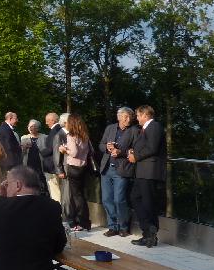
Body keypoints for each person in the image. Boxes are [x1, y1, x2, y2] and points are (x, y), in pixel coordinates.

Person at [128, 105, 167, 247]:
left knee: (148, 202)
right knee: (136, 198)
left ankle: (151, 234)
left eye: (138, 115)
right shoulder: (145, 129)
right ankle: (147, 230)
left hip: (150, 171)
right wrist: (133, 151)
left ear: (145, 115)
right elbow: (145, 146)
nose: (137, 118)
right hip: (142, 171)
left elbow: (152, 147)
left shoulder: (154, 126)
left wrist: (136, 156)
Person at [99, 107, 137, 237]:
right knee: (106, 199)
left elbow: (136, 149)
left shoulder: (134, 130)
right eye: (126, 116)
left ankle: (123, 227)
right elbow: (101, 145)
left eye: (130, 117)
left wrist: (121, 152)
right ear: (119, 117)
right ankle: (112, 226)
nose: (128, 119)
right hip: (106, 168)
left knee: (119, 199)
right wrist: (107, 148)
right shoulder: (110, 128)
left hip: (122, 169)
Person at [58, 113, 91, 231]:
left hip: (73, 168)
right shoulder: (85, 135)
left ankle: (81, 222)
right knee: (81, 195)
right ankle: (86, 222)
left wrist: (63, 150)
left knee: (76, 197)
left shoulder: (71, 136)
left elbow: (74, 153)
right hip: (83, 167)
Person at [41, 112, 62, 203]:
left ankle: (58, 213)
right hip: (59, 166)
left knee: (55, 192)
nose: (46, 123)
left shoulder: (54, 131)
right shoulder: (61, 130)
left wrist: (40, 151)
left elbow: (50, 149)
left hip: (52, 166)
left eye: (47, 121)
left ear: (53, 120)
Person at [22, 119, 47, 193]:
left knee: (41, 180)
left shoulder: (45, 137)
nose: (31, 128)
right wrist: (23, 148)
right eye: (30, 126)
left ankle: (42, 194)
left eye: (33, 126)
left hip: (41, 163)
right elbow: (21, 153)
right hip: (28, 162)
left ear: (38, 128)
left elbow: (47, 150)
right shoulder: (24, 138)